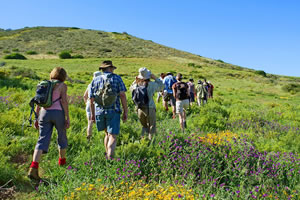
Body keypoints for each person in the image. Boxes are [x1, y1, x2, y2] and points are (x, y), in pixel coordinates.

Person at [28, 67, 70, 181]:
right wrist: (67, 117)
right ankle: (62, 163)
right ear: (63, 76)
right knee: (61, 136)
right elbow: (64, 101)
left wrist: (36, 117)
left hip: (44, 113)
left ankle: (33, 167)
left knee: (42, 139)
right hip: (58, 114)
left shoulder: (44, 84)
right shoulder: (62, 86)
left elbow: (38, 101)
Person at [89, 60, 128, 159]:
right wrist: (125, 111)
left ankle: (107, 155)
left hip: (99, 111)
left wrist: (92, 115)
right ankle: (110, 157)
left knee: (106, 134)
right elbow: (122, 95)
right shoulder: (117, 78)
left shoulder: (95, 80)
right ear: (110, 68)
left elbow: (91, 99)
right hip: (113, 110)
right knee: (113, 135)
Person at [130, 68, 164, 140]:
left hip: (140, 108)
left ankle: (143, 141)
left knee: (144, 126)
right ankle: (152, 143)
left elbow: (131, 89)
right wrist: (155, 78)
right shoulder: (152, 84)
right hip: (150, 107)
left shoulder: (136, 85)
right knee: (152, 126)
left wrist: (136, 81)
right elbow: (161, 86)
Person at [83, 71, 102, 141]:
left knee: (90, 122)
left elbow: (84, 96)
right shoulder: (101, 85)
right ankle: (102, 137)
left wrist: (87, 104)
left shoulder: (90, 85)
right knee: (101, 121)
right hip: (98, 104)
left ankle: (89, 137)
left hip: (89, 103)